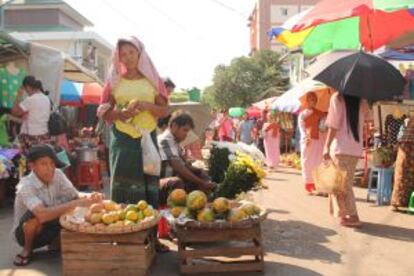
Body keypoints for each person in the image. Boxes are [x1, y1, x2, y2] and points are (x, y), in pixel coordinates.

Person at [97, 36, 169, 207]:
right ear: (118, 57)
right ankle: (124, 228)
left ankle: (148, 230)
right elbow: (104, 113)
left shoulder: (152, 81)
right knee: (123, 187)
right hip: (122, 141)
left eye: (132, 52)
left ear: (140, 54)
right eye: (123, 54)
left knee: (148, 182)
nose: (128, 57)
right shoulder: (114, 81)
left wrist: (145, 105)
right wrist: (122, 114)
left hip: (147, 139)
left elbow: (165, 110)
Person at [12, 144, 103, 266]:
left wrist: (90, 196)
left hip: (52, 226)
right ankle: (27, 250)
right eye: (44, 164)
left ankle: (55, 242)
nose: (49, 168)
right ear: (32, 166)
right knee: (34, 216)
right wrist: (76, 203)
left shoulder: (58, 174)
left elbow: (75, 195)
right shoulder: (25, 185)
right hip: (26, 234)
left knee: (72, 209)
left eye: (52, 164)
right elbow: (42, 215)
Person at [323, 93, 371, 227]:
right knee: (344, 183)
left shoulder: (337, 98)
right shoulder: (361, 99)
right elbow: (368, 119)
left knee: (341, 184)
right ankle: (342, 213)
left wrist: (326, 146)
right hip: (355, 148)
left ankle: (353, 216)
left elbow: (333, 125)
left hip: (340, 148)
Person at [158, 111, 216, 205]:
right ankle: (177, 211)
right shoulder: (165, 140)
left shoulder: (175, 142)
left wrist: (200, 172)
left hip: (169, 179)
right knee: (177, 182)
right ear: (174, 126)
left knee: (198, 174)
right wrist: (201, 182)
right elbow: (178, 167)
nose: (186, 134)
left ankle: (200, 205)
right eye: (184, 130)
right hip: (158, 183)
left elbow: (185, 166)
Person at [12, 77, 51, 154]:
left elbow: (14, 112)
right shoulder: (46, 99)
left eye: (25, 89)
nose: (26, 92)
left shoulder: (31, 99)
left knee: (19, 157)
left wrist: (18, 95)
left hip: (31, 137)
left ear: (28, 87)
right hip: (44, 135)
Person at [298, 92, 327, 194]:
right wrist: (305, 136)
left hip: (319, 141)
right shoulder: (302, 114)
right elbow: (301, 127)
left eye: (314, 99)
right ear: (306, 101)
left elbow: (324, 129)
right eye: (310, 99)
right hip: (308, 141)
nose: (313, 101)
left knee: (319, 162)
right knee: (307, 163)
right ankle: (309, 184)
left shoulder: (321, 113)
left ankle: (319, 185)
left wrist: (322, 121)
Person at [391, 116, 414, 211]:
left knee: (401, 177)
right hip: (406, 152)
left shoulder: (407, 121)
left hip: (404, 151)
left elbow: (399, 137)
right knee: (403, 177)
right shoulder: (407, 121)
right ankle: (401, 203)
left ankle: (397, 203)